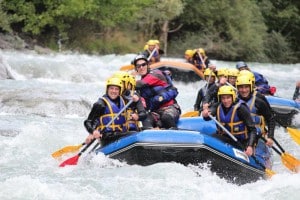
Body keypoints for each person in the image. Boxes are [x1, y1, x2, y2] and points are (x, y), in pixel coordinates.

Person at [202, 85, 257, 156]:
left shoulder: (241, 109)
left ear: (233, 97)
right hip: (225, 138)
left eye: (228, 98)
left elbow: (252, 130)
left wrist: (250, 146)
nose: (226, 101)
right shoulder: (217, 106)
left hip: (240, 142)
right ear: (220, 98)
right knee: (211, 138)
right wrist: (205, 114)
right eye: (223, 98)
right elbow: (207, 117)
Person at [236, 75, 276, 168]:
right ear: (237, 88)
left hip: (257, 137)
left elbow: (270, 118)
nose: (244, 90)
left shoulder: (258, 101)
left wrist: (270, 137)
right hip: (240, 136)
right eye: (241, 87)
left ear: (250, 87)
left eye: (246, 87)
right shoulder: (233, 101)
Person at [133, 54, 181, 129]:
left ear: (148, 65)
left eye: (143, 65)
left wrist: (127, 81)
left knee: (166, 118)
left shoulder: (155, 74)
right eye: (138, 66)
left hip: (170, 108)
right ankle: (149, 137)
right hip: (156, 112)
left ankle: (176, 135)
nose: (141, 67)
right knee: (146, 120)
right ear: (136, 69)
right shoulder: (140, 87)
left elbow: (140, 84)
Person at [84, 77, 131, 146]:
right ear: (107, 89)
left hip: (121, 133)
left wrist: (136, 98)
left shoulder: (123, 100)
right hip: (107, 136)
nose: (114, 91)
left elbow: (130, 94)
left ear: (120, 91)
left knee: (133, 133)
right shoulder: (100, 104)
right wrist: (93, 131)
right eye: (111, 88)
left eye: (116, 89)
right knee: (132, 134)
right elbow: (88, 121)